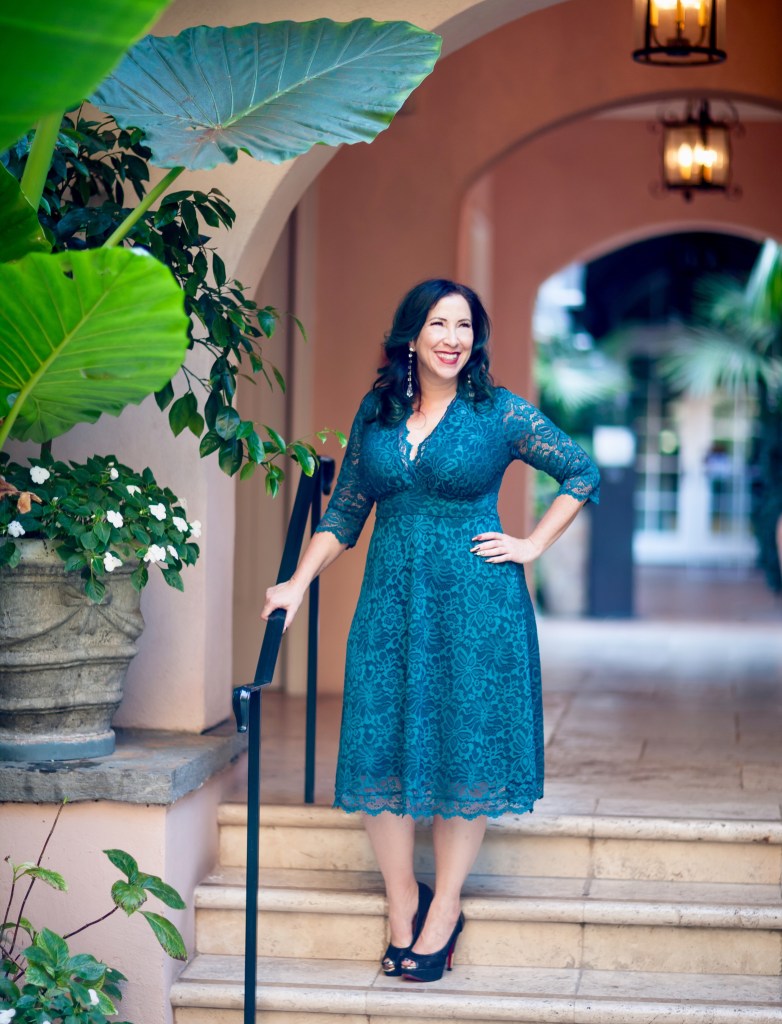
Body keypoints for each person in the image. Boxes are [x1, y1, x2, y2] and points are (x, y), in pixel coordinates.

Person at [262, 279, 600, 983]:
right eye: (439, 324)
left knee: (461, 747)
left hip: (477, 607)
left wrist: (532, 544)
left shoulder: (498, 413)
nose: (453, 338)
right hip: (390, 602)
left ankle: (444, 908)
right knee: (377, 741)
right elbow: (346, 509)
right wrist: (296, 585)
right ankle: (400, 904)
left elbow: (580, 470)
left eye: (465, 327)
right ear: (410, 335)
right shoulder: (379, 411)